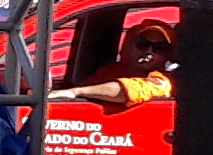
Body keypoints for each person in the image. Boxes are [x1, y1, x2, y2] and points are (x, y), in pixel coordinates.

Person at [50, 18, 180, 109]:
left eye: (159, 48)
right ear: (126, 46)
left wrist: (76, 92)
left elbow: (129, 90)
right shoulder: (111, 71)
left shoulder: (163, 81)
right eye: (143, 44)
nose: (149, 52)